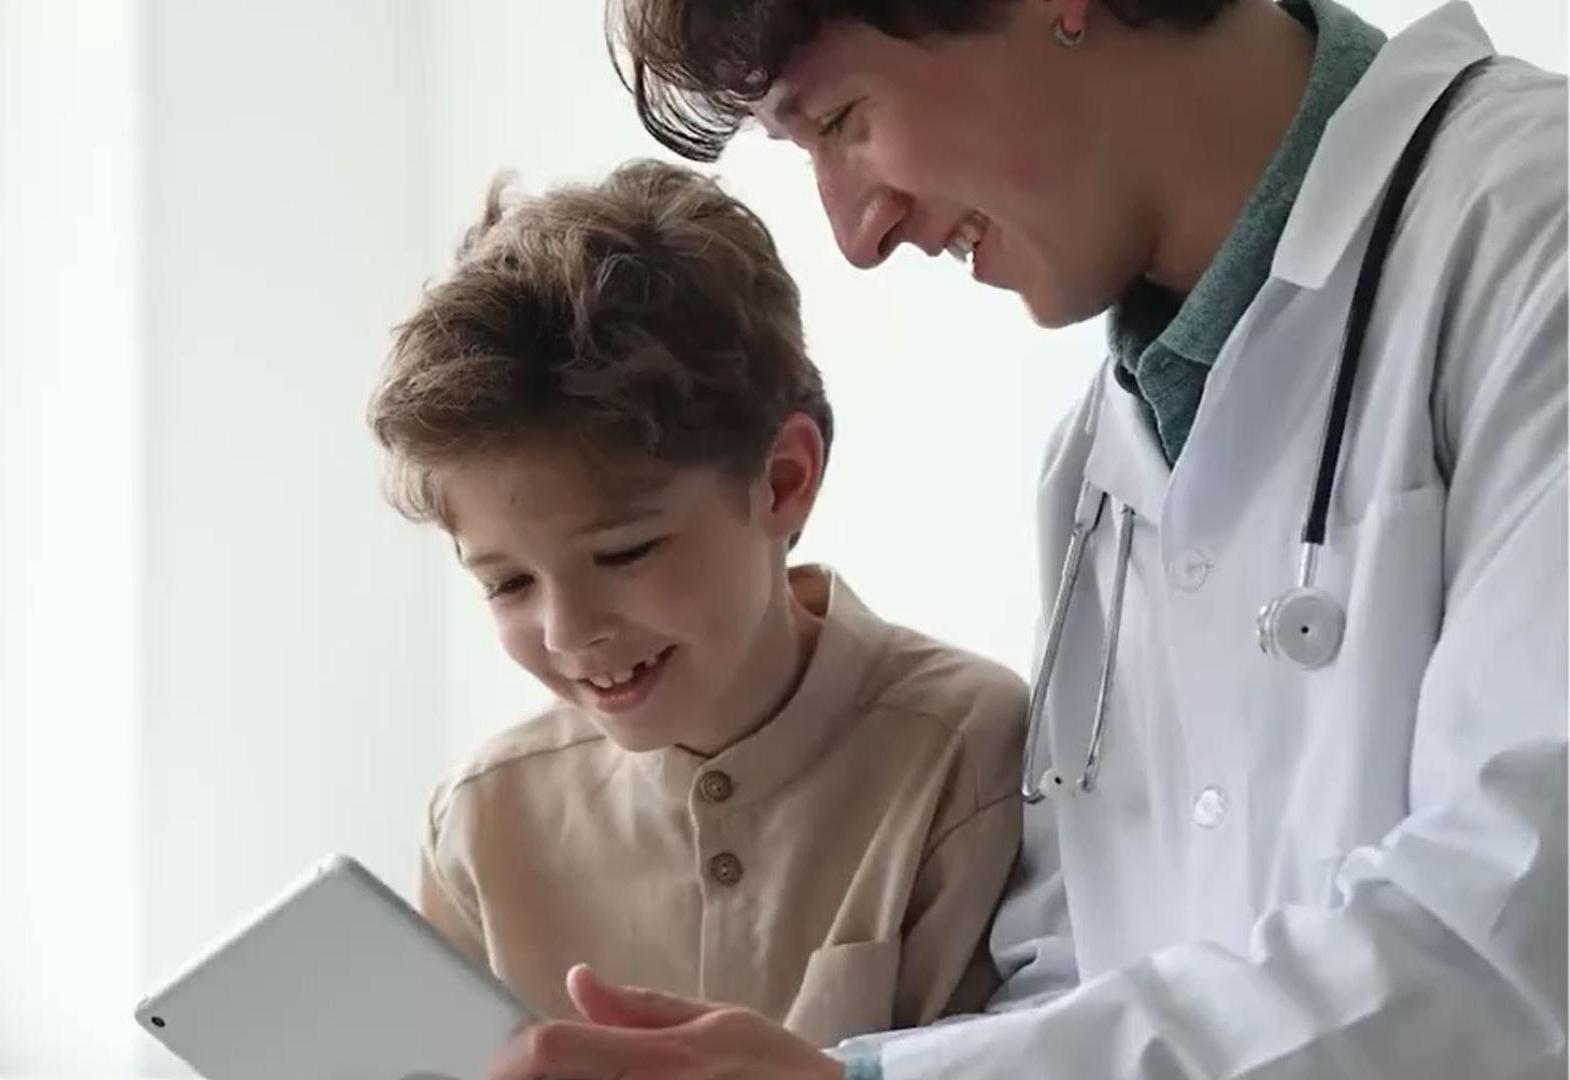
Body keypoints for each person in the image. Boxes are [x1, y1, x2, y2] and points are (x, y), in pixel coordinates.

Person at [490, 0, 1568, 1077]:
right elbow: (1076, 979)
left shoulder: (1531, 231)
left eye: (845, 121)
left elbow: (1516, 932)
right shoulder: (1099, 462)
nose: (858, 235)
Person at [366, 160, 1030, 1049]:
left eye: (624, 552)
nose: (570, 633)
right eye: (508, 584)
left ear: (783, 482)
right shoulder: (483, 823)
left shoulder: (970, 751)